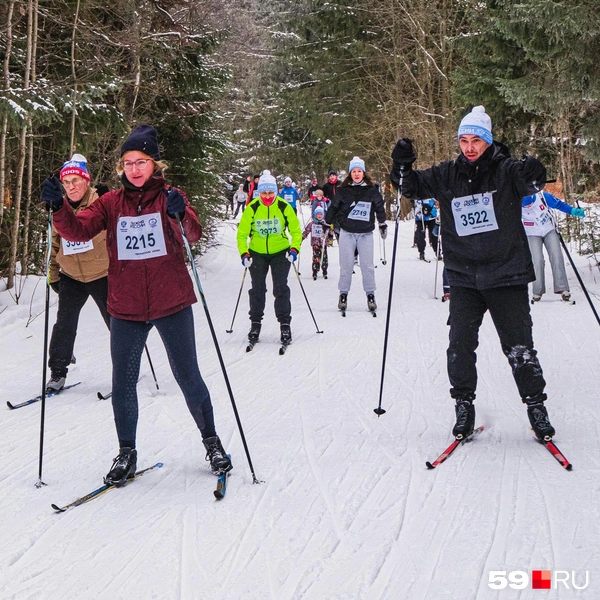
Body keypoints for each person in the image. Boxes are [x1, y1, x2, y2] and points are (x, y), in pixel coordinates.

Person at [42, 124, 232, 483]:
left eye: (141, 161)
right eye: (128, 163)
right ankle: (126, 453)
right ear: (121, 168)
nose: (134, 169)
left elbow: (192, 233)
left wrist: (180, 213)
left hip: (171, 300)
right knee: (123, 382)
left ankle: (212, 442)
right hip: (126, 306)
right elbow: (78, 230)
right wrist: (58, 208)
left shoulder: (170, 196)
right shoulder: (110, 203)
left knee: (187, 375)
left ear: (155, 164)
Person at [390, 105, 555, 442]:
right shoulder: (446, 174)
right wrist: (402, 165)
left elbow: (531, 181)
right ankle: (463, 406)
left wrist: (536, 172)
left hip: (506, 275)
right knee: (460, 346)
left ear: (487, 141)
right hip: (464, 276)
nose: (469, 147)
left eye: (476, 140)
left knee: (520, 347)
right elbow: (410, 187)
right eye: (464, 140)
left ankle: (536, 406)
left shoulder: (506, 171)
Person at [45, 154, 111, 393]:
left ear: (86, 181)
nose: (71, 186)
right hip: (71, 275)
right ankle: (57, 373)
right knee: (64, 325)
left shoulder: (101, 203)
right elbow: (55, 243)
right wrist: (54, 274)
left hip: (102, 273)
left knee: (116, 323)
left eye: (76, 180)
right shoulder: (58, 206)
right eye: (66, 182)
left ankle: (126, 369)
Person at [236, 170, 302, 344]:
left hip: (281, 252)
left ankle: (285, 324)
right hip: (257, 253)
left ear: (275, 192)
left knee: (280, 288)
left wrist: (294, 249)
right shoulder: (252, 208)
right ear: (259, 193)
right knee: (257, 289)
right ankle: (255, 324)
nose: (267, 196)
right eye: (264, 193)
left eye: (270, 192)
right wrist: (244, 253)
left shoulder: (283, 206)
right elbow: (242, 234)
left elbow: (296, 231)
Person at [325, 156, 386, 313]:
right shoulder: (343, 190)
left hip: (365, 233)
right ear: (350, 173)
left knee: (367, 266)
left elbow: (379, 207)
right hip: (347, 232)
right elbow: (334, 207)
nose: (357, 174)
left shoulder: (372, 190)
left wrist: (382, 223)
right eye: (354, 171)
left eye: (359, 171)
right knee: (346, 266)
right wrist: (327, 222)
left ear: (364, 173)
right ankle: (343, 294)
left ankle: (370, 295)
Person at [522, 190, 584, 303]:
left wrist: (573, 211)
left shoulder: (542, 196)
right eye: (526, 206)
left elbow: (559, 204)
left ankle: (563, 289)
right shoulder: (516, 203)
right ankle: (537, 292)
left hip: (549, 230)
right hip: (531, 234)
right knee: (537, 260)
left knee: (556, 256)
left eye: (530, 203)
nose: (529, 206)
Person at [302, 205, 335, 280]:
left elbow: (331, 232)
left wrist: (331, 229)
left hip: (323, 243)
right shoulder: (312, 224)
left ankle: (324, 270)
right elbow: (306, 231)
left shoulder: (325, 223)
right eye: (317, 214)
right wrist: (301, 238)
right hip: (315, 244)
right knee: (316, 257)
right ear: (315, 215)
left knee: (324, 257)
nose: (319, 216)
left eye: (320, 214)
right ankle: (315, 271)